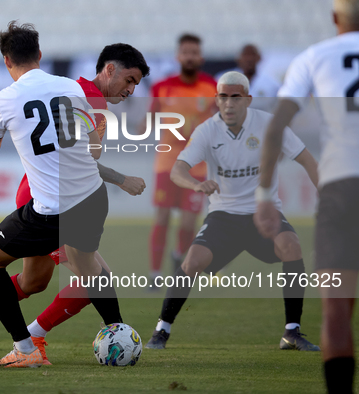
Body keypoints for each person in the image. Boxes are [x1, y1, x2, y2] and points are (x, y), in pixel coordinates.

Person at [0, 38, 151, 366]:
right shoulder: (81, 95)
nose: (131, 90)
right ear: (109, 70)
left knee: (33, 282)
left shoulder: (75, 90)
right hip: (51, 201)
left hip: (56, 197)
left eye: (136, 84)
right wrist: (121, 179)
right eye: (129, 80)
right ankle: (34, 338)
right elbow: (86, 156)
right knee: (95, 277)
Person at [144, 71, 320, 353]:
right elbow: (178, 169)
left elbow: (308, 160)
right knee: (192, 261)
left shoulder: (268, 126)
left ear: (248, 100)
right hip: (224, 215)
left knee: (292, 246)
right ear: (216, 99)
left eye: (235, 97)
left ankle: (292, 333)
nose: (228, 103)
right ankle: (161, 331)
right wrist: (196, 184)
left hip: (263, 214)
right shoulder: (207, 130)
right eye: (223, 97)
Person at [254, 1, 359, 391]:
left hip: (342, 186)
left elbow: (276, 127)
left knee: (336, 308)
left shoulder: (315, 57)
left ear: (334, 19)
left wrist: (265, 194)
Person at [146, 34, 216, 284]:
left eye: (194, 52)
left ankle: (178, 257)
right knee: (162, 217)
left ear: (201, 57)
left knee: (188, 222)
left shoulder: (212, 87)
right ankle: (155, 274)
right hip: (167, 163)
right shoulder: (162, 87)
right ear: (178, 56)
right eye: (185, 52)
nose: (189, 56)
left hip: (197, 166)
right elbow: (149, 119)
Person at [215, 44, 281, 110]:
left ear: (259, 58)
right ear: (238, 58)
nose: (249, 59)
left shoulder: (272, 84)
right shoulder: (223, 80)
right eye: (245, 55)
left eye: (252, 55)